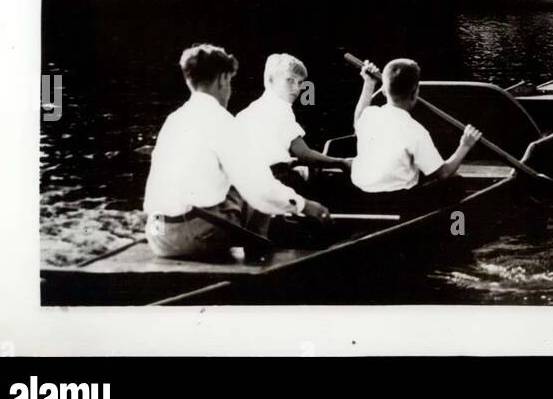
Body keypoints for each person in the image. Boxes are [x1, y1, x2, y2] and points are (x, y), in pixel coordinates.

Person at [142, 44, 329, 260]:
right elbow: (260, 188)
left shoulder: (174, 119)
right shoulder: (221, 120)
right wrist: (305, 206)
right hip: (191, 239)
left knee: (232, 184)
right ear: (222, 79)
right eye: (229, 82)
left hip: (157, 236)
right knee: (258, 184)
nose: (229, 89)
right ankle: (261, 259)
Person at [351, 58, 482, 210]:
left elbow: (358, 118)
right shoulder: (416, 130)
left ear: (385, 90)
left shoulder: (370, 115)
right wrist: (465, 145)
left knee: (415, 170)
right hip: (396, 202)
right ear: (415, 93)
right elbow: (443, 173)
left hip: (362, 196)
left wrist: (369, 84)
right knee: (455, 182)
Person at [236, 54, 351, 196]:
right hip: (277, 182)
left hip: (246, 187)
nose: (297, 88)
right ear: (270, 80)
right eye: (290, 80)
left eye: (300, 82)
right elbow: (304, 154)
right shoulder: (280, 108)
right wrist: (343, 162)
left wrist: (290, 163)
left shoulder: (246, 113)